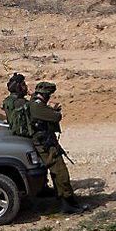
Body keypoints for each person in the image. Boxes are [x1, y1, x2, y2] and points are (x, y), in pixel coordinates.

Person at [28, 81, 87, 214]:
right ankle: (68, 203)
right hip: (46, 143)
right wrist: (55, 110)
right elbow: (55, 117)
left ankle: (65, 200)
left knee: (57, 172)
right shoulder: (37, 106)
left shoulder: (35, 103)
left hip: (45, 141)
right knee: (61, 173)